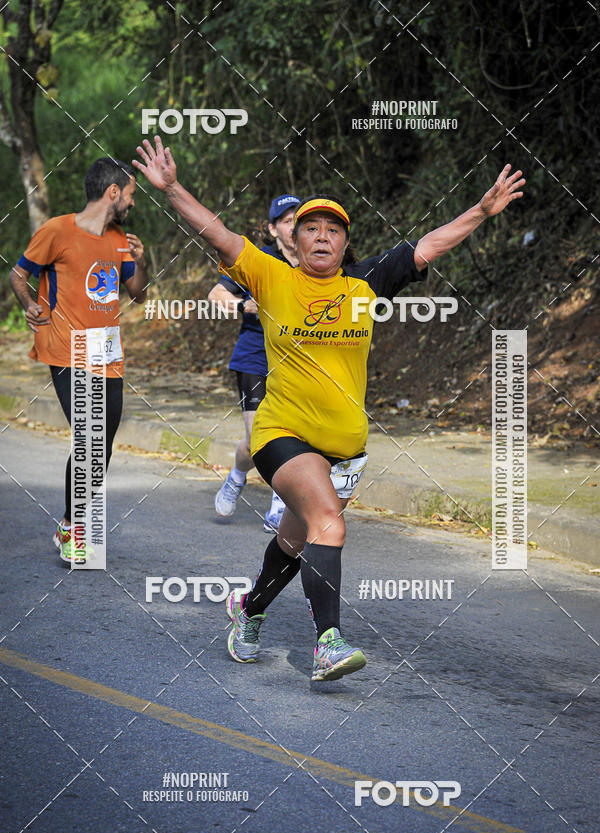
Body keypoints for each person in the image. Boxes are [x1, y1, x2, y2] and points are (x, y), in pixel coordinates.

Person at [134, 136, 524, 681]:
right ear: (293, 239)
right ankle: (329, 643)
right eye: (310, 228)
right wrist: (172, 189)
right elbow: (217, 234)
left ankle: (248, 610)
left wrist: (481, 211)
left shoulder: (365, 284)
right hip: (282, 434)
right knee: (328, 524)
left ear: (344, 244)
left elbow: (429, 245)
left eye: (333, 229)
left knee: (296, 539)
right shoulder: (272, 277)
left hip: (345, 449)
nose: (321, 235)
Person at [9, 157, 149, 563]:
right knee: (89, 437)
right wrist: (28, 304)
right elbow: (19, 275)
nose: (132, 203)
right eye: (131, 194)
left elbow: (138, 293)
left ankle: (71, 520)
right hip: (66, 349)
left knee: (100, 444)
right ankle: (77, 530)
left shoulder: (120, 238)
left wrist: (141, 261)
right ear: (112, 193)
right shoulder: (56, 230)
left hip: (108, 353)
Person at [210, 194, 300, 531]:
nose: (294, 227)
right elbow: (215, 295)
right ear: (273, 229)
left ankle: (280, 505)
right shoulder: (259, 261)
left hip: (297, 359)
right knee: (256, 440)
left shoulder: (315, 262)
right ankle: (236, 475)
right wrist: (241, 306)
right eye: (287, 221)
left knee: (291, 433)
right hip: (256, 356)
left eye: (298, 219)